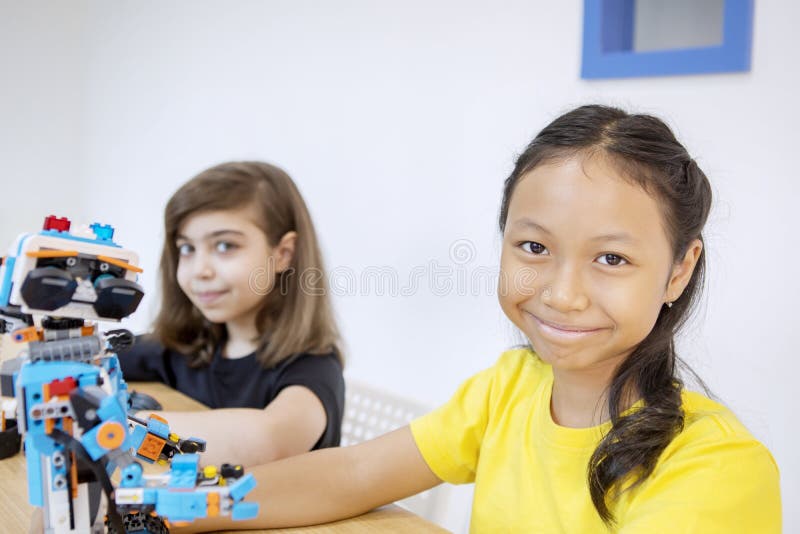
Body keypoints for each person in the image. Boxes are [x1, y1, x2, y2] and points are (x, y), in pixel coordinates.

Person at [160, 106, 779, 532]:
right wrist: (169, 505)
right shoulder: (508, 388)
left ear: (678, 270)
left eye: (611, 258)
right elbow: (350, 473)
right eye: (534, 247)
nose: (562, 294)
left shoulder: (716, 467)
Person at [119, 161, 345, 467]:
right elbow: (95, 357)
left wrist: (119, 426)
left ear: (283, 254)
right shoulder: (186, 345)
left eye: (225, 245)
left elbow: (269, 441)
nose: (200, 270)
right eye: (187, 248)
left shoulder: (314, 366)